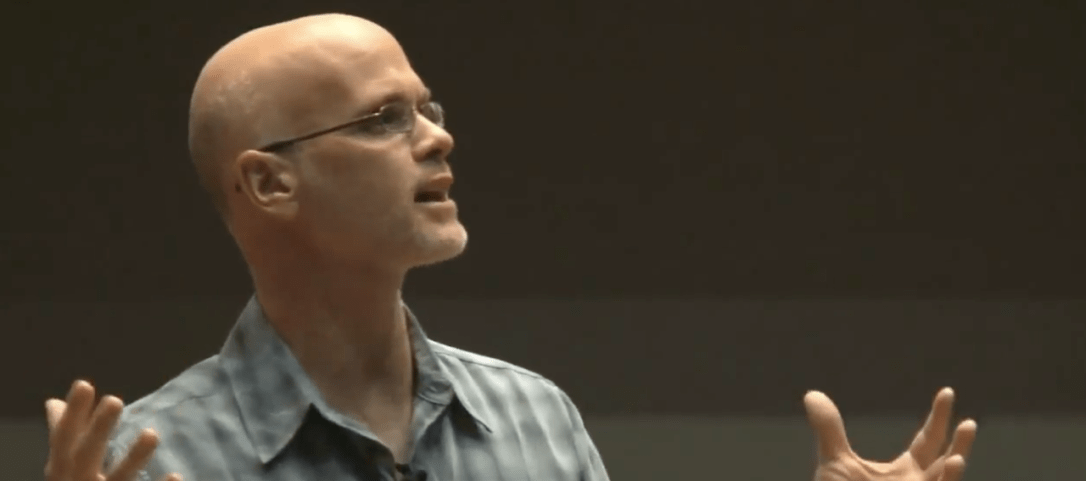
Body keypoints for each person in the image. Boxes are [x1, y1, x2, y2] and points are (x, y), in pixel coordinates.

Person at [42, 13, 977, 481]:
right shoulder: (151, 456)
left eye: (428, 108)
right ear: (269, 183)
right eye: (383, 119)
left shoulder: (533, 417)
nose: (438, 137)